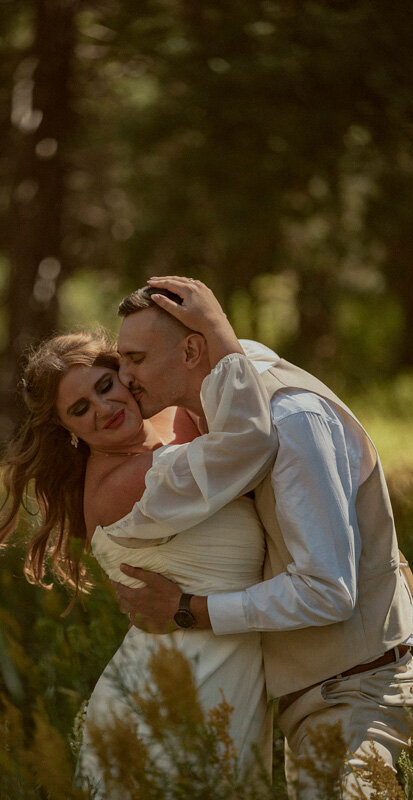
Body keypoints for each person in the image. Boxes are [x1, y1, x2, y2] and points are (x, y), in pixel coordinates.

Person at [112, 275, 413, 798]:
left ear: (190, 349)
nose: (124, 375)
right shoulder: (206, 411)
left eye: (135, 358)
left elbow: (328, 589)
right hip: (308, 701)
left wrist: (189, 608)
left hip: (360, 693)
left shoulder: (290, 418)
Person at [0, 323, 279, 795]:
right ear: (66, 429)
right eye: (80, 409)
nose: (104, 409)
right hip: (167, 699)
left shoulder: (172, 421)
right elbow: (251, 444)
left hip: (225, 680)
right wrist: (213, 322)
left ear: (125, 373)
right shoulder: (121, 485)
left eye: (106, 386)